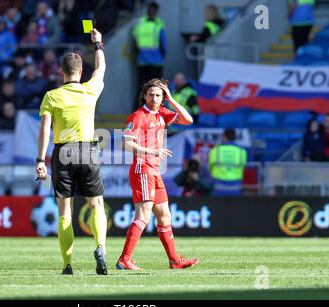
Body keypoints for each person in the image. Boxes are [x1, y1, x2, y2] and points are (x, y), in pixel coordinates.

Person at [36, 29, 107, 276]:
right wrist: (98, 44)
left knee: (65, 211)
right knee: (96, 205)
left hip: (62, 152)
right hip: (87, 149)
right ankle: (100, 248)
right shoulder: (90, 90)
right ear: (80, 71)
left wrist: (40, 160)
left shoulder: (51, 96)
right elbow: (100, 70)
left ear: (61, 72)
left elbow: (44, 130)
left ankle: (67, 264)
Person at [116, 78, 199, 270]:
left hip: (154, 171)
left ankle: (174, 260)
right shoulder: (138, 116)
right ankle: (124, 259)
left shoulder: (162, 113)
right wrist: (153, 152)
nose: (154, 98)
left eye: (158, 95)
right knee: (143, 215)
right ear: (144, 96)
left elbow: (188, 119)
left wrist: (170, 98)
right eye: (151, 94)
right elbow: (126, 144)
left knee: (164, 217)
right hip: (143, 169)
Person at [131, 1, 167, 104]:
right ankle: (154, 109)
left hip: (142, 60)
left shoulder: (139, 23)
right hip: (156, 61)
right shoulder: (158, 24)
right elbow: (164, 44)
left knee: (142, 88)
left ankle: (139, 109)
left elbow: (134, 39)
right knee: (156, 88)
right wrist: (162, 55)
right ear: (156, 12)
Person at [208, 128, 247, 196]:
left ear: (224, 137)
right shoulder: (242, 151)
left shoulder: (215, 150)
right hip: (235, 190)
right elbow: (243, 167)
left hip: (217, 189)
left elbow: (209, 168)